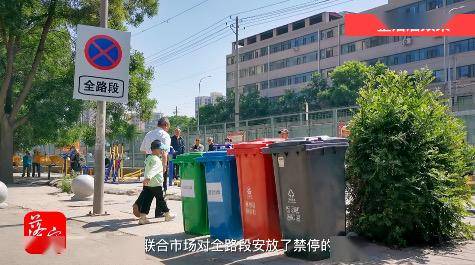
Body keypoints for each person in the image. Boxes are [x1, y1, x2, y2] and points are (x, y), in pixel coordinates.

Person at [136, 140, 176, 225]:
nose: (162, 151)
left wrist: (147, 178)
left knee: (146, 200)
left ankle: (142, 218)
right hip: (156, 184)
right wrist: (148, 178)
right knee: (161, 200)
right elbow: (154, 170)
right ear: (156, 150)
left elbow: (148, 169)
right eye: (161, 149)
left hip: (148, 185)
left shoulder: (149, 158)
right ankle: (167, 214)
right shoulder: (157, 160)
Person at [140, 117, 172, 192]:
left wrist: (150, 154)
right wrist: (164, 166)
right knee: (160, 187)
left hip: (149, 160)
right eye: (168, 127)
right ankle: (162, 196)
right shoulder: (165, 135)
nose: (168, 129)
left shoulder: (149, 134)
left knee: (148, 185)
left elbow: (142, 149)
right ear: (166, 125)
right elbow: (164, 152)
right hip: (160, 160)